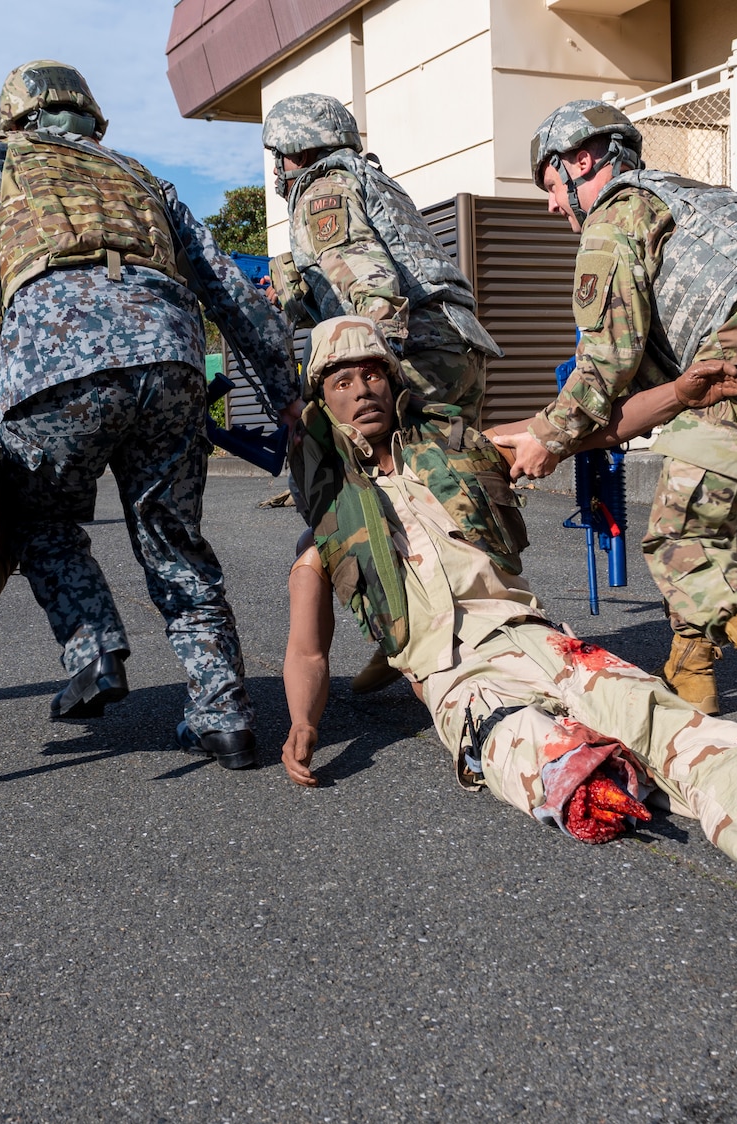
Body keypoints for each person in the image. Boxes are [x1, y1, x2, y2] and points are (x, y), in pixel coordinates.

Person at [278, 316, 737, 881]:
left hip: (540, 637)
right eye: (343, 380)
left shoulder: (460, 451)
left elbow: (589, 429)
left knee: (664, 720)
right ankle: (623, 774)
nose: (362, 388)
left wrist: (682, 393)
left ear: (395, 382)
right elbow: (308, 648)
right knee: (545, 753)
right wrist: (303, 724)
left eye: (373, 371)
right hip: (460, 678)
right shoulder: (328, 532)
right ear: (321, 403)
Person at [0, 60, 296, 768]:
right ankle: (225, 713)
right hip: (169, 358)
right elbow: (230, 290)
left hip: (52, 368)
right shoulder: (143, 177)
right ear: (90, 115)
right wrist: (286, 392)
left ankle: (95, 649)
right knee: (173, 540)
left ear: (16, 116)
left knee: (39, 517)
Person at [489, 100, 737, 748]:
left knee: (678, 539)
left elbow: (606, 361)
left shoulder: (616, 216)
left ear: (582, 161)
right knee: (724, 535)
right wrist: (557, 430)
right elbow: (646, 389)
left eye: (548, 186)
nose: (549, 205)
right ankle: (693, 681)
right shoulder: (690, 202)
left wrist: (549, 436)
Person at [261, 91, 505, 697]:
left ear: (296, 150)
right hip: (456, 350)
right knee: (449, 495)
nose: (276, 171)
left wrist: (371, 376)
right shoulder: (369, 181)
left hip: (413, 357)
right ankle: (459, 635)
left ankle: (416, 646)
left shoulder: (323, 191)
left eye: (278, 156)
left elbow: (373, 291)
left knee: (348, 500)